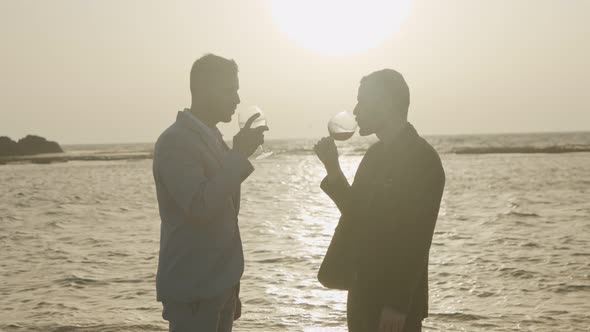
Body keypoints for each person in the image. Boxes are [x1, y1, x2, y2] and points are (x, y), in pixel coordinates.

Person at [314, 69, 445, 332]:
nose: (355, 110)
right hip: (363, 287)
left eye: (363, 101)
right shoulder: (375, 155)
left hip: (394, 304)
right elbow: (356, 215)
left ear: (385, 103)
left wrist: (397, 303)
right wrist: (333, 169)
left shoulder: (422, 159)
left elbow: (417, 238)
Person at [152, 54, 267, 332]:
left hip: (219, 285)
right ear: (203, 90)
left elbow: (226, 212)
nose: (237, 99)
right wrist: (239, 154)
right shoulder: (175, 141)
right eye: (230, 90)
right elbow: (200, 206)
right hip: (193, 289)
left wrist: (230, 287)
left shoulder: (213, 136)